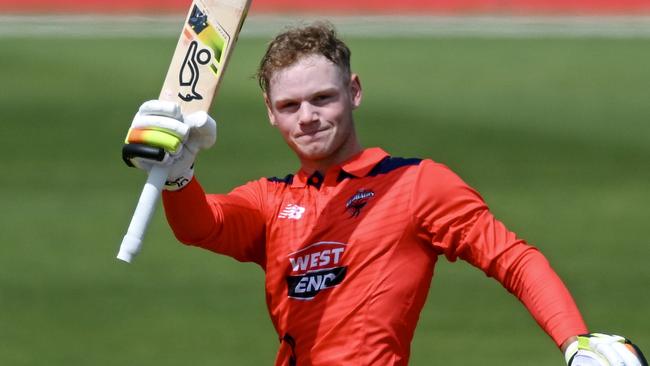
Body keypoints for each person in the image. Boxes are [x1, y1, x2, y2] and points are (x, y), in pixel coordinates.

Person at [122, 22, 646, 366]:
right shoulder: (271, 199)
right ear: (270, 113)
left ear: (354, 91)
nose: (307, 117)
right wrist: (179, 174)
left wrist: (574, 341)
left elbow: (512, 258)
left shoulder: (416, 183)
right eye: (289, 106)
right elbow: (201, 225)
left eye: (323, 97)